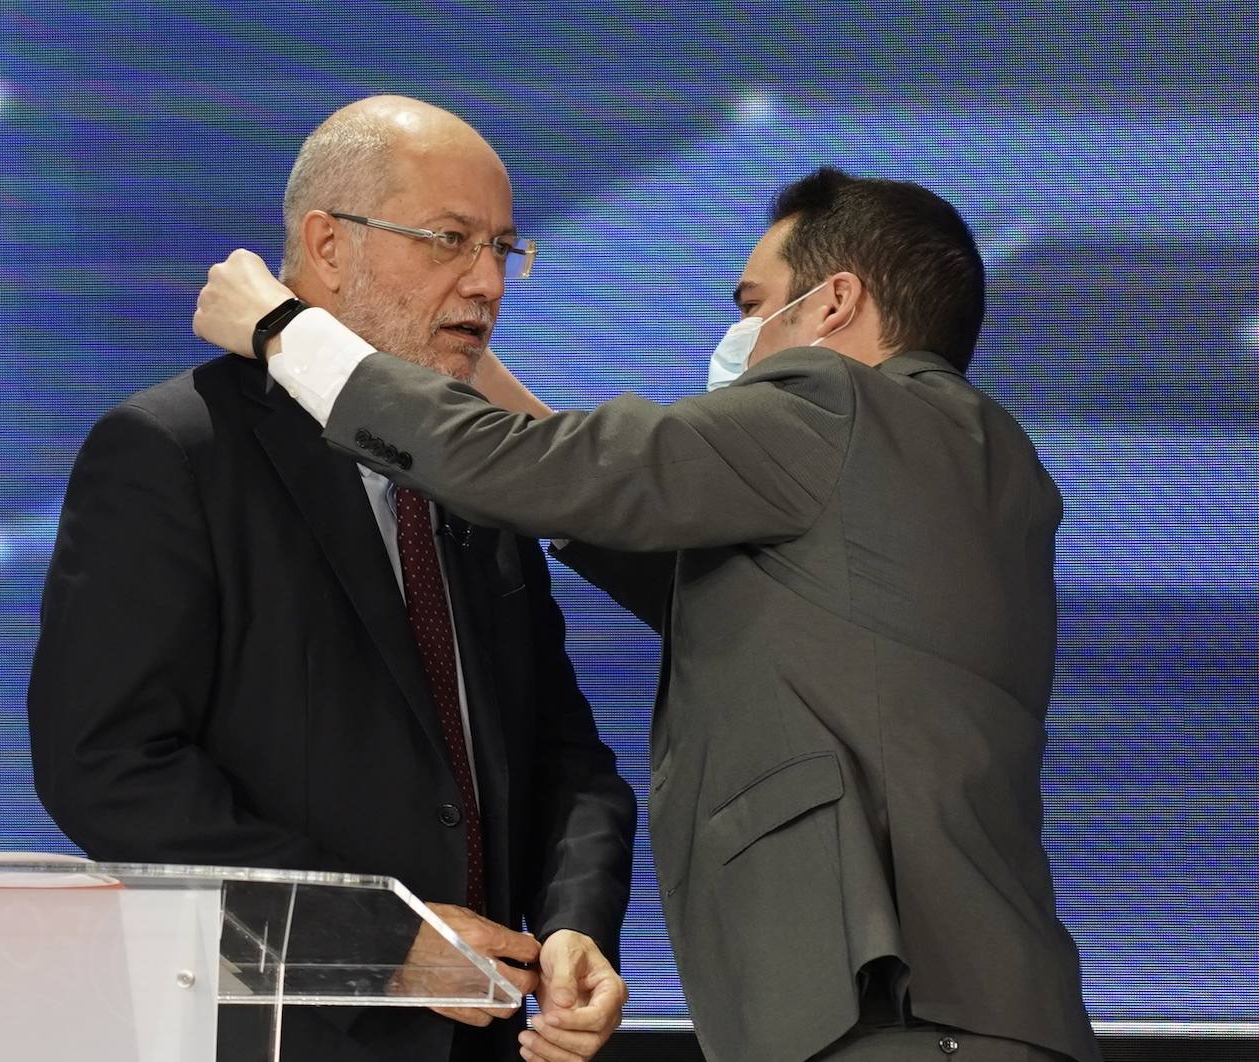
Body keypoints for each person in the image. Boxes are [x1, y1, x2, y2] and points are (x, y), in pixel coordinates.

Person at [193, 166, 1104, 1062]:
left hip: (894, 1014)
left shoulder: (835, 405)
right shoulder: (970, 457)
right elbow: (656, 550)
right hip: (978, 1008)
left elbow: (551, 473)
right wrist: (457, 367)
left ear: (831, 305)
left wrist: (287, 332)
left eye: (754, 304)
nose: (739, 336)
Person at [27, 95, 636, 1062]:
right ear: (328, 244)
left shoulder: (472, 468)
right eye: (450, 240)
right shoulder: (174, 452)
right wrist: (381, 943)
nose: (486, 282)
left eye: (503, 248)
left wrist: (576, 926)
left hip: (491, 1038)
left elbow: (565, 754)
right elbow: (108, 766)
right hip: (282, 1034)